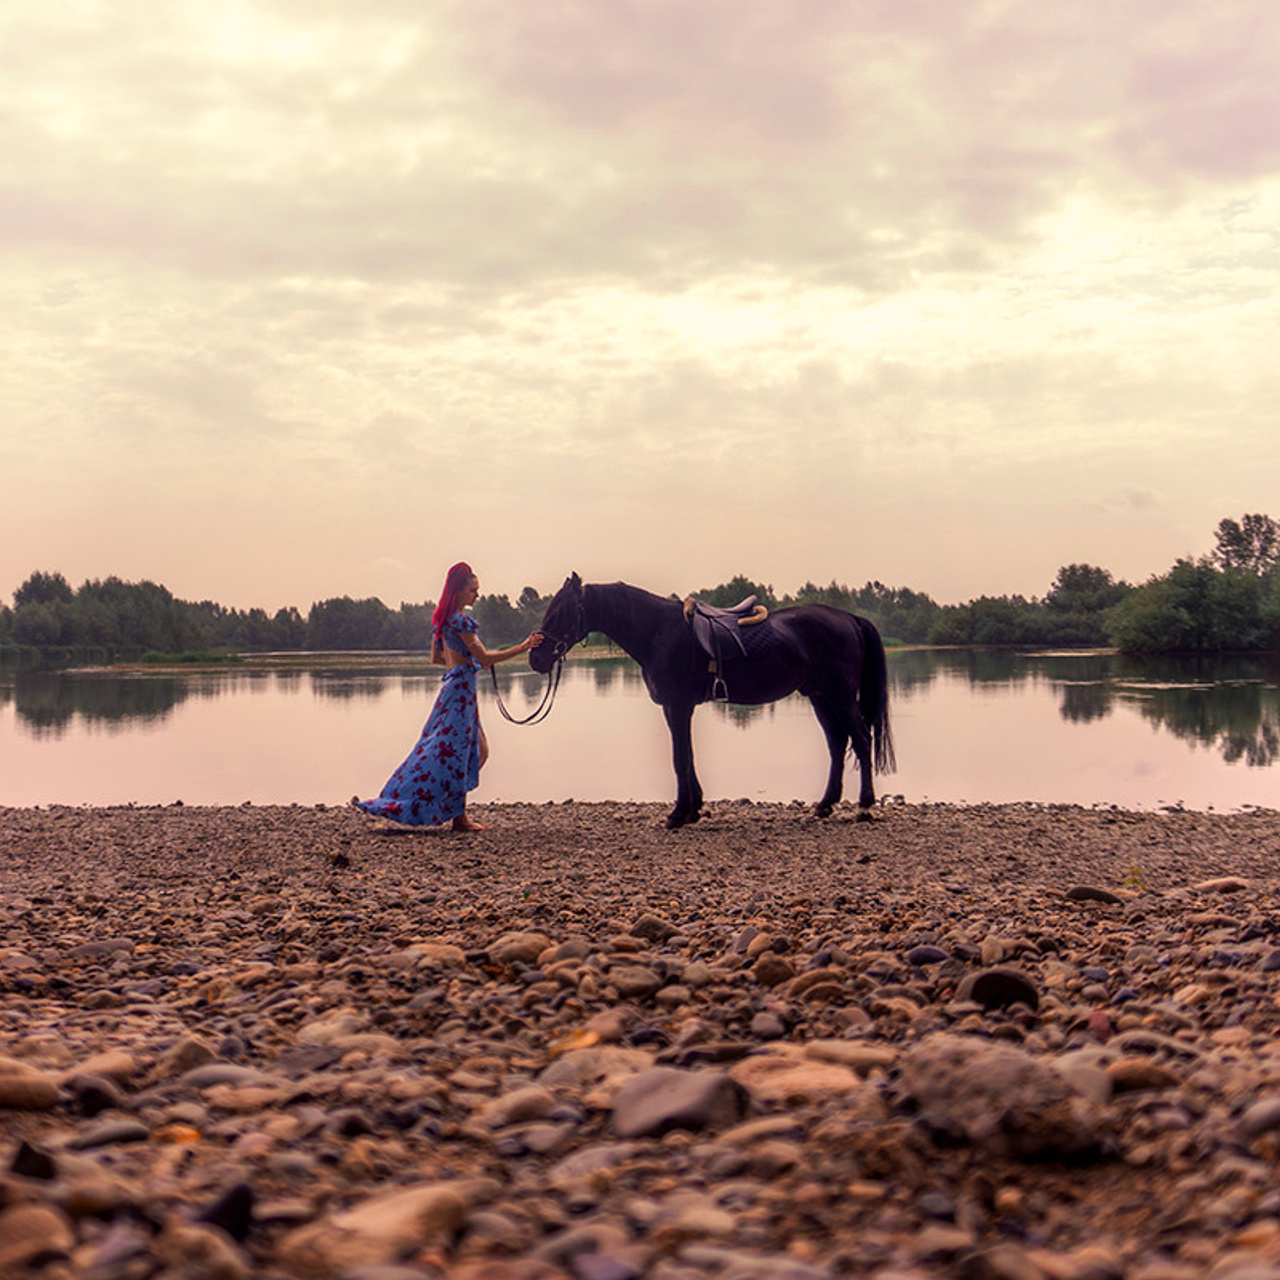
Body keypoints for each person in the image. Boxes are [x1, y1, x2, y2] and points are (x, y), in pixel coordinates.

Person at [353, 562, 541, 832]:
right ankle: (457, 817)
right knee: (463, 752)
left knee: (466, 751)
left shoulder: (443, 620)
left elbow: (436, 658)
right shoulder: (462, 622)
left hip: (453, 689)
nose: (477, 595)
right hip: (461, 693)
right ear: (459, 591)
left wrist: (462, 665)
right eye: (473, 590)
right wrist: (523, 647)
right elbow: (486, 659)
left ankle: (453, 812)